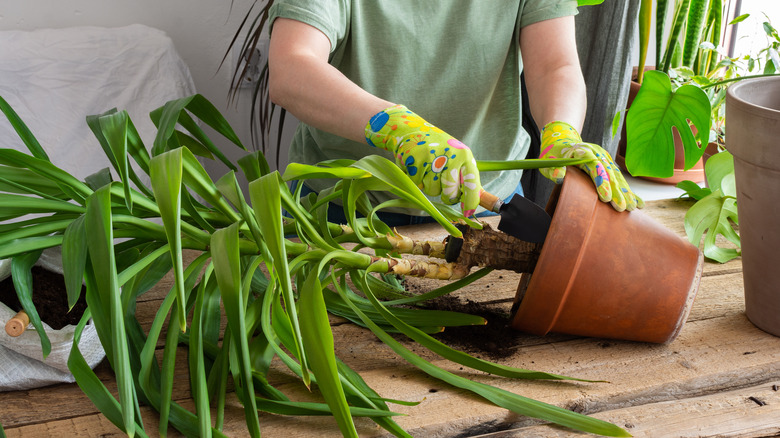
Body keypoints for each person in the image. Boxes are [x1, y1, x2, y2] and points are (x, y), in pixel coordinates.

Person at [267, 1, 643, 227]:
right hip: (343, 209)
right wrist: (394, 128)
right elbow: (292, 67)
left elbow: (554, 66)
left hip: (485, 209)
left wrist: (561, 130)